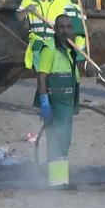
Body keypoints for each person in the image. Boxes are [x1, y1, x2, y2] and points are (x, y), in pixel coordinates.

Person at [34, 12, 83, 189]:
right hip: (54, 104)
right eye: (61, 27)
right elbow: (41, 77)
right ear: (55, 29)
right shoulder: (49, 48)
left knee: (64, 142)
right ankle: (56, 183)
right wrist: (44, 102)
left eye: (68, 27)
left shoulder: (70, 49)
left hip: (67, 104)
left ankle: (61, 181)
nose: (65, 30)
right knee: (56, 141)